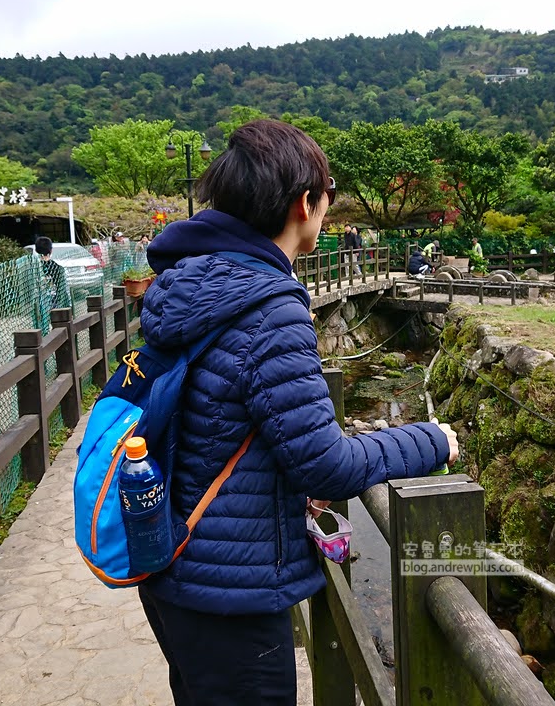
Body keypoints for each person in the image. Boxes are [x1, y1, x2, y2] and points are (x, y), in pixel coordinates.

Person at [138, 119, 458, 705]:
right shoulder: (270, 305)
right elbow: (325, 465)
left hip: (172, 562)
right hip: (230, 591)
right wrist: (431, 440)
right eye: (327, 195)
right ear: (304, 202)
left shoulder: (191, 283)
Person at [35, 236, 71, 312]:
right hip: (54, 300)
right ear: (51, 250)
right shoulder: (57, 267)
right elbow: (62, 287)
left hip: (38, 300)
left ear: (36, 250)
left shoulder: (33, 266)